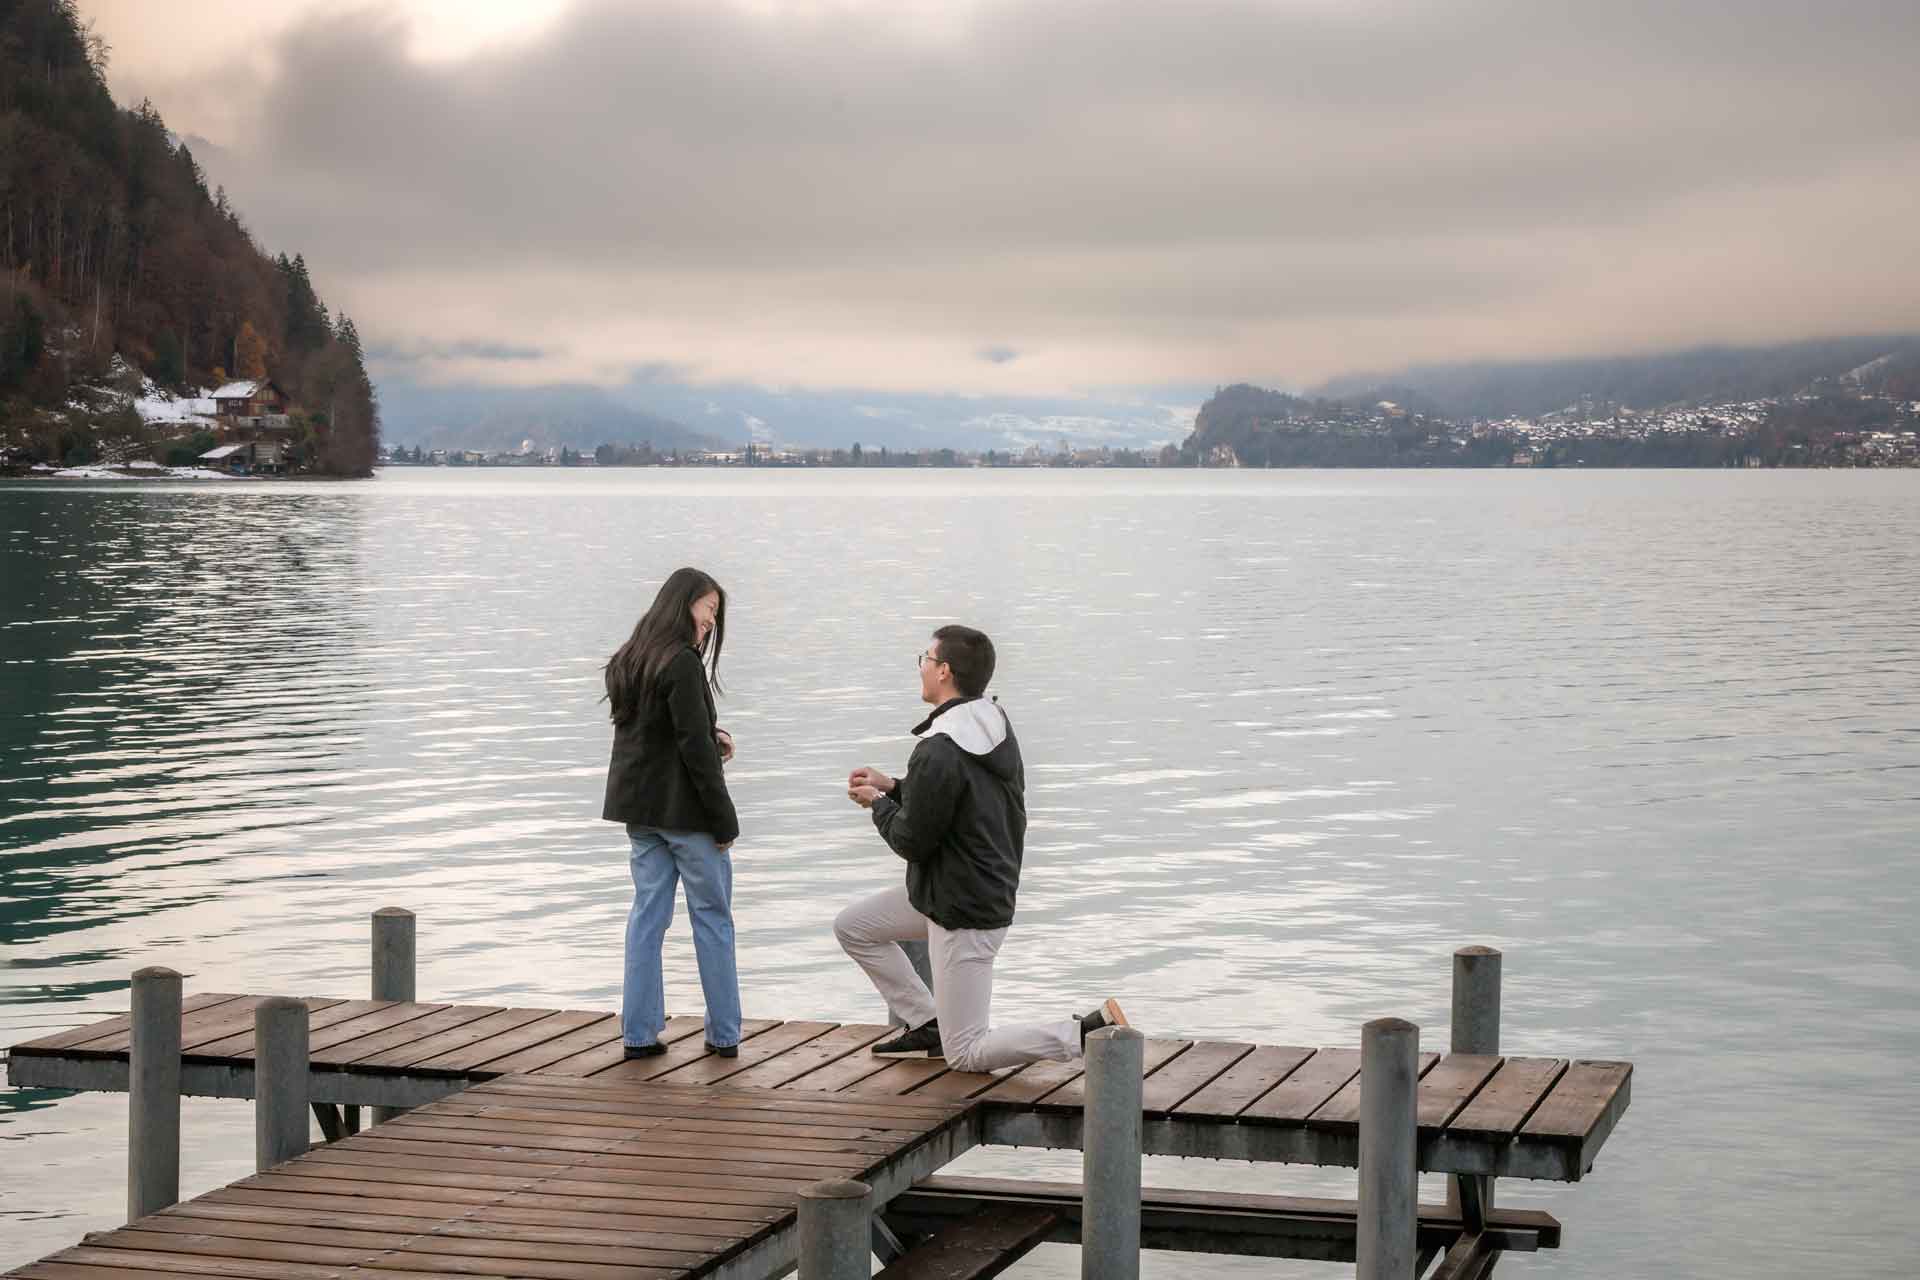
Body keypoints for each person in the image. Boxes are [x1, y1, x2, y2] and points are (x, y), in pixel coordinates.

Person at [838, 624, 1127, 1070]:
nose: (921, 668)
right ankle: (926, 1019)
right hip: (956, 891)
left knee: (966, 1053)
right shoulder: (991, 727)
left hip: (963, 912)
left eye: (925, 660)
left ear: (944, 672)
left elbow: (912, 841)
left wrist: (876, 804)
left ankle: (1085, 1034)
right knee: (854, 927)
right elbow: (948, 799)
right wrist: (894, 786)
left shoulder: (939, 749)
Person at [602, 567, 741, 1060]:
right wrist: (724, 822)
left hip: (640, 813)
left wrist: (711, 735)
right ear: (685, 604)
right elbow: (692, 751)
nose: (711, 621)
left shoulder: (632, 656)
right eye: (709, 609)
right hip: (688, 817)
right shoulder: (681, 662)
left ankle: (638, 1034)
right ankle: (724, 1035)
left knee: (647, 918)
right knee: (712, 918)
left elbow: (654, 735)